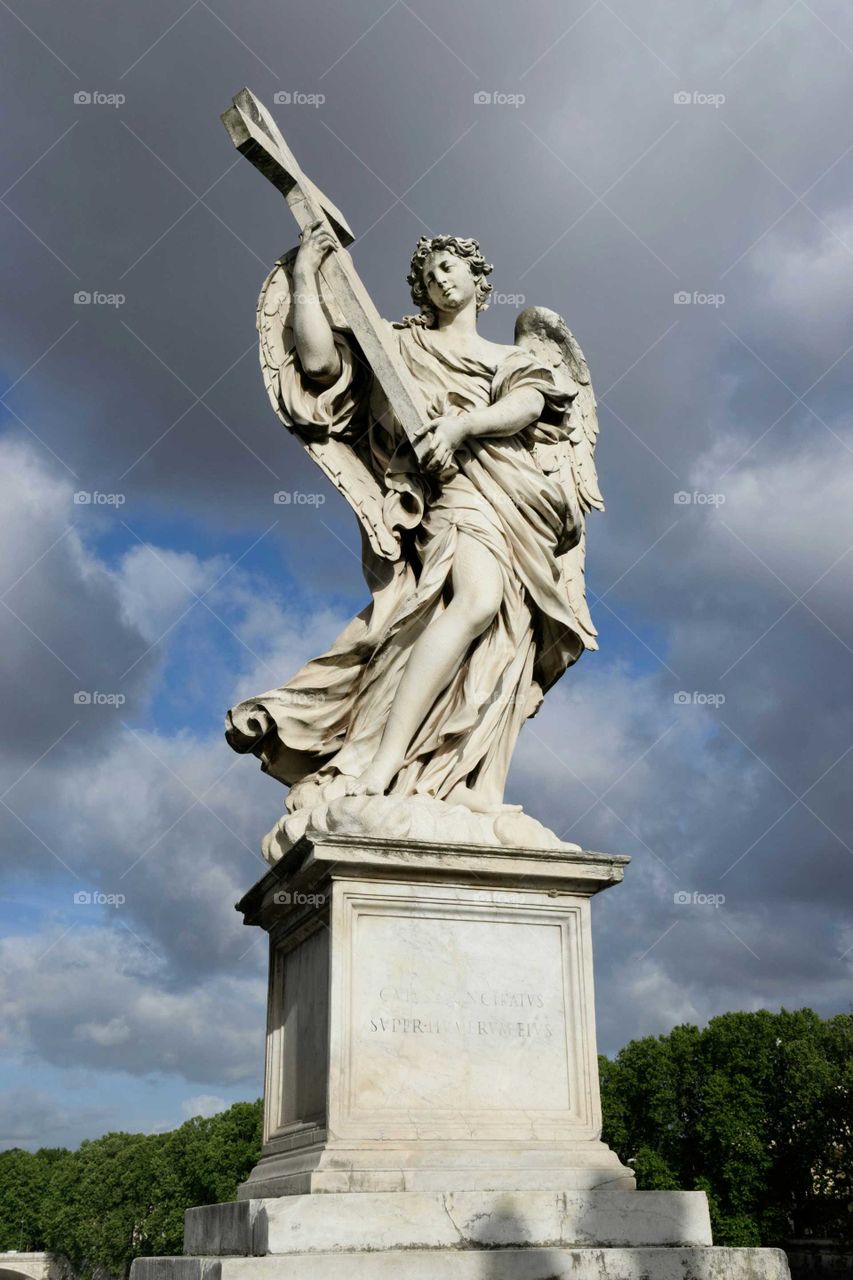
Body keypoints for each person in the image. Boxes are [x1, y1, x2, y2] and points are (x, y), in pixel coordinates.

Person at [226, 229, 587, 817]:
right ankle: (387, 760)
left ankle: (467, 782)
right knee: (476, 600)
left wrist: (461, 427)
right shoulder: (397, 347)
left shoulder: (515, 358)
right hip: (453, 494)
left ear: (478, 278)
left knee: (505, 635)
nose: (441, 279)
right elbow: (318, 365)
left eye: (450, 268)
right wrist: (307, 277)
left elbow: (527, 405)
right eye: (429, 276)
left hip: (519, 498)